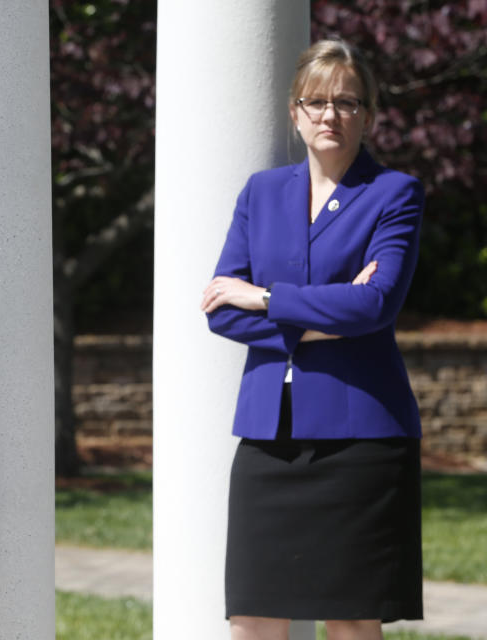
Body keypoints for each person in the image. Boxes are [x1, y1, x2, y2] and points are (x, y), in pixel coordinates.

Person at [200, 38, 424, 640]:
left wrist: (269, 298)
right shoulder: (261, 192)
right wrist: (333, 310)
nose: (331, 115)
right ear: (295, 113)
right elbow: (222, 309)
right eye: (316, 101)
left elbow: (376, 303)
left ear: (369, 115)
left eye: (348, 102)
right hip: (269, 434)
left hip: (361, 437)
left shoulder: (393, 193)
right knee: (251, 620)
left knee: (350, 621)